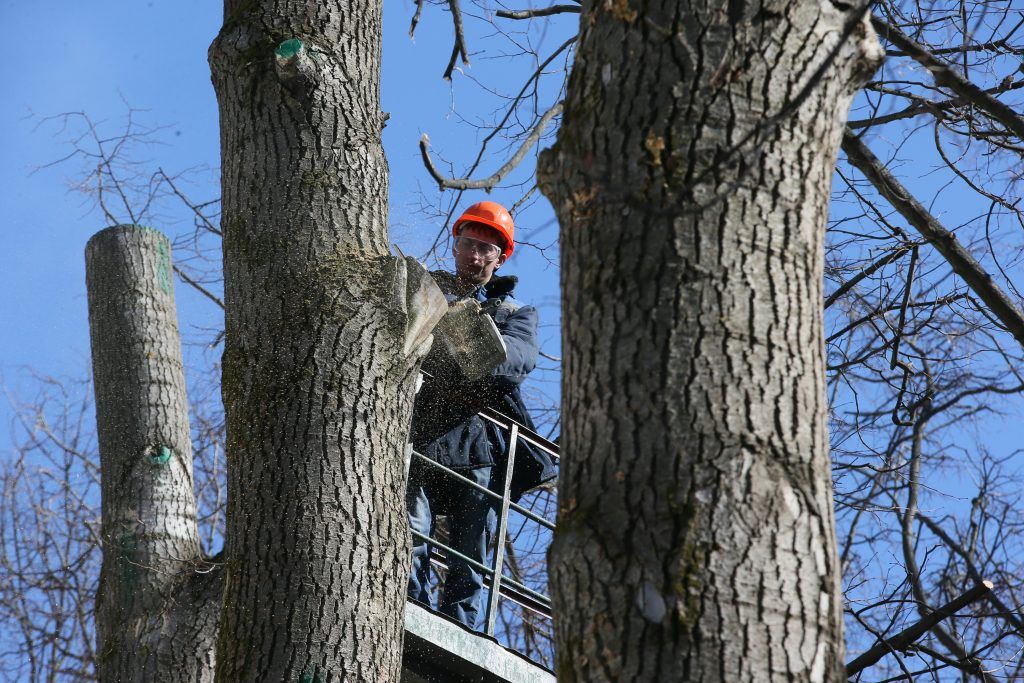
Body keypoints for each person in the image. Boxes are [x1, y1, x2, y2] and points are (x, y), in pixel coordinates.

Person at [407, 201, 556, 630]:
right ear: (456, 245)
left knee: (470, 555)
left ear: (500, 257)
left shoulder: (514, 314)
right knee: (410, 537)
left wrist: (466, 345)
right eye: (469, 244)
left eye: (486, 250)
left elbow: (515, 361)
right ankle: (411, 611)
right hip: (422, 436)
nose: (475, 256)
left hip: (479, 446)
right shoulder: (428, 294)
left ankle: (461, 627)